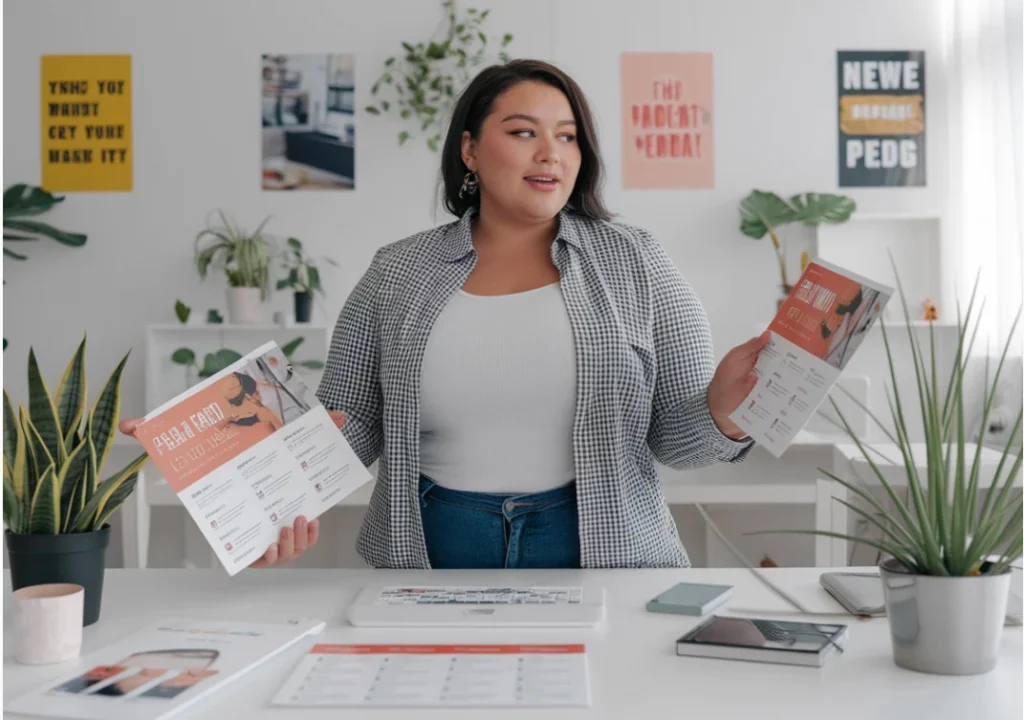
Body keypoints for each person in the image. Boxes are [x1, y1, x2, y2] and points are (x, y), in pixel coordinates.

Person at [121, 58, 768, 570]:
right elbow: (350, 425)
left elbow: (675, 443)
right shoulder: (396, 272)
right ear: (470, 150)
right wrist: (227, 470)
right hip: (428, 559)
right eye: (523, 132)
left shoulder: (639, 263)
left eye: (567, 136)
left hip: (605, 556)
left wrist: (723, 408)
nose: (551, 152)